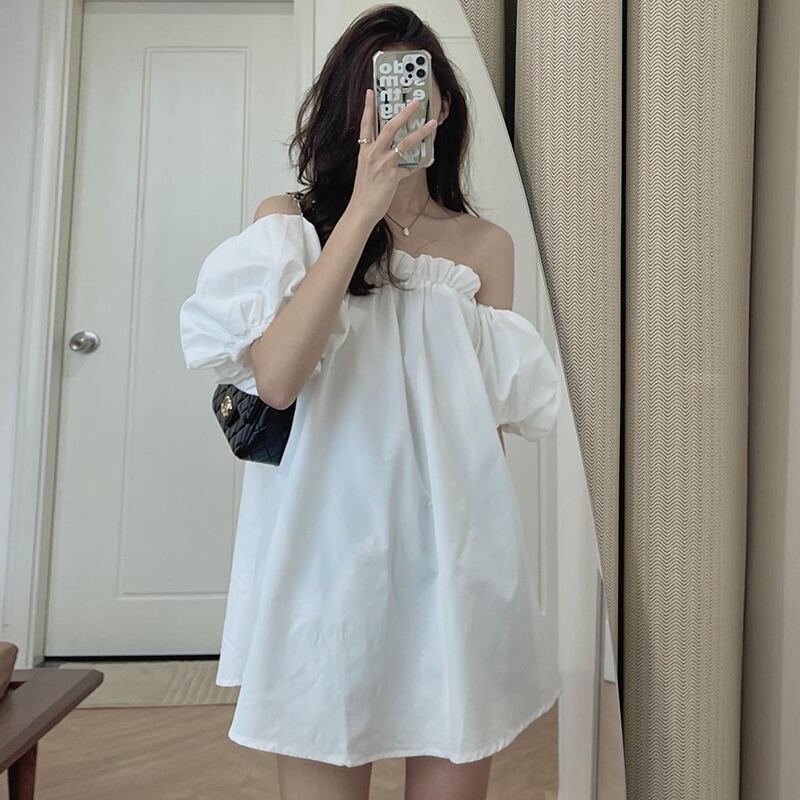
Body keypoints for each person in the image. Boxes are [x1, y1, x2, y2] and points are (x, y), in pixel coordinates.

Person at [179, 5, 563, 799]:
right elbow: (278, 379)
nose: (399, 109)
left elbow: (485, 427)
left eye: (415, 89)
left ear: (442, 106)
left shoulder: (485, 247)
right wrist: (360, 211)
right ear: (349, 109)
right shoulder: (290, 225)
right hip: (325, 562)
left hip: (454, 562)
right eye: (379, 92)